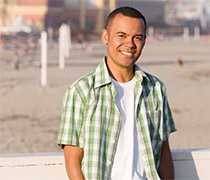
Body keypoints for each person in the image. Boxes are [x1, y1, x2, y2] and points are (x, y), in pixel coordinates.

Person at [57, 6, 176, 180]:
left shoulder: (155, 88)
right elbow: (72, 159)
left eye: (138, 37)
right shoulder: (81, 91)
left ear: (144, 41)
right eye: (122, 35)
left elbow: (164, 152)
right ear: (106, 37)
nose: (130, 44)